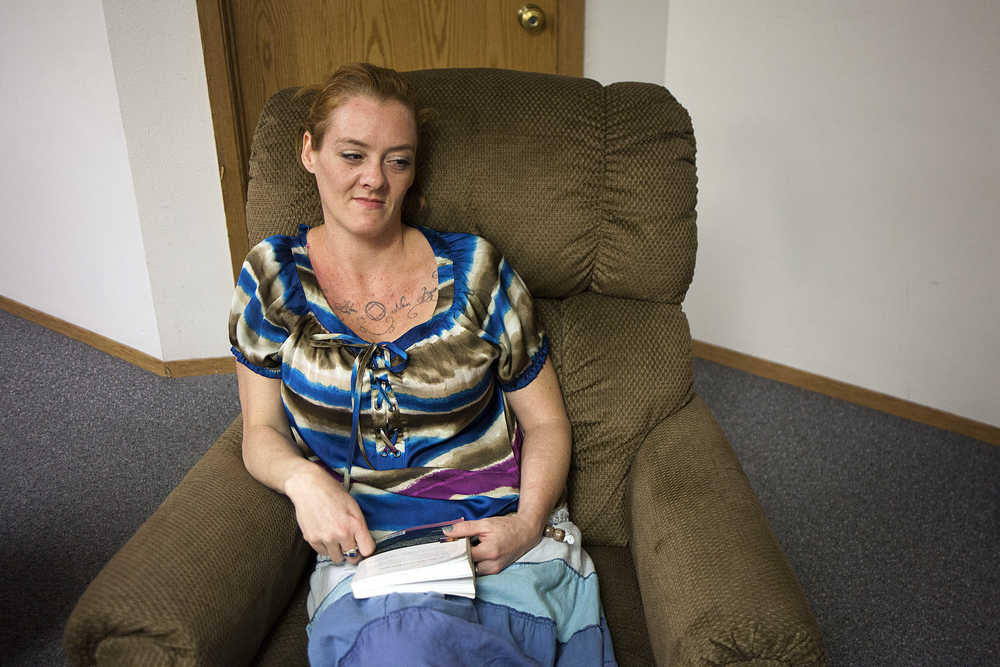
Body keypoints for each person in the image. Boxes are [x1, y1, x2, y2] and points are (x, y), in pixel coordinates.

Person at [230, 63, 616, 665]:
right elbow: (259, 433)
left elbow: (545, 423)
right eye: (353, 154)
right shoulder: (273, 279)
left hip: (497, 540)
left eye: (398, 160)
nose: (374, 181)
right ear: (310, 152)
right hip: (372, 558)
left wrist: (526, 523)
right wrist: (303, 481)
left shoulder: (477, 273)